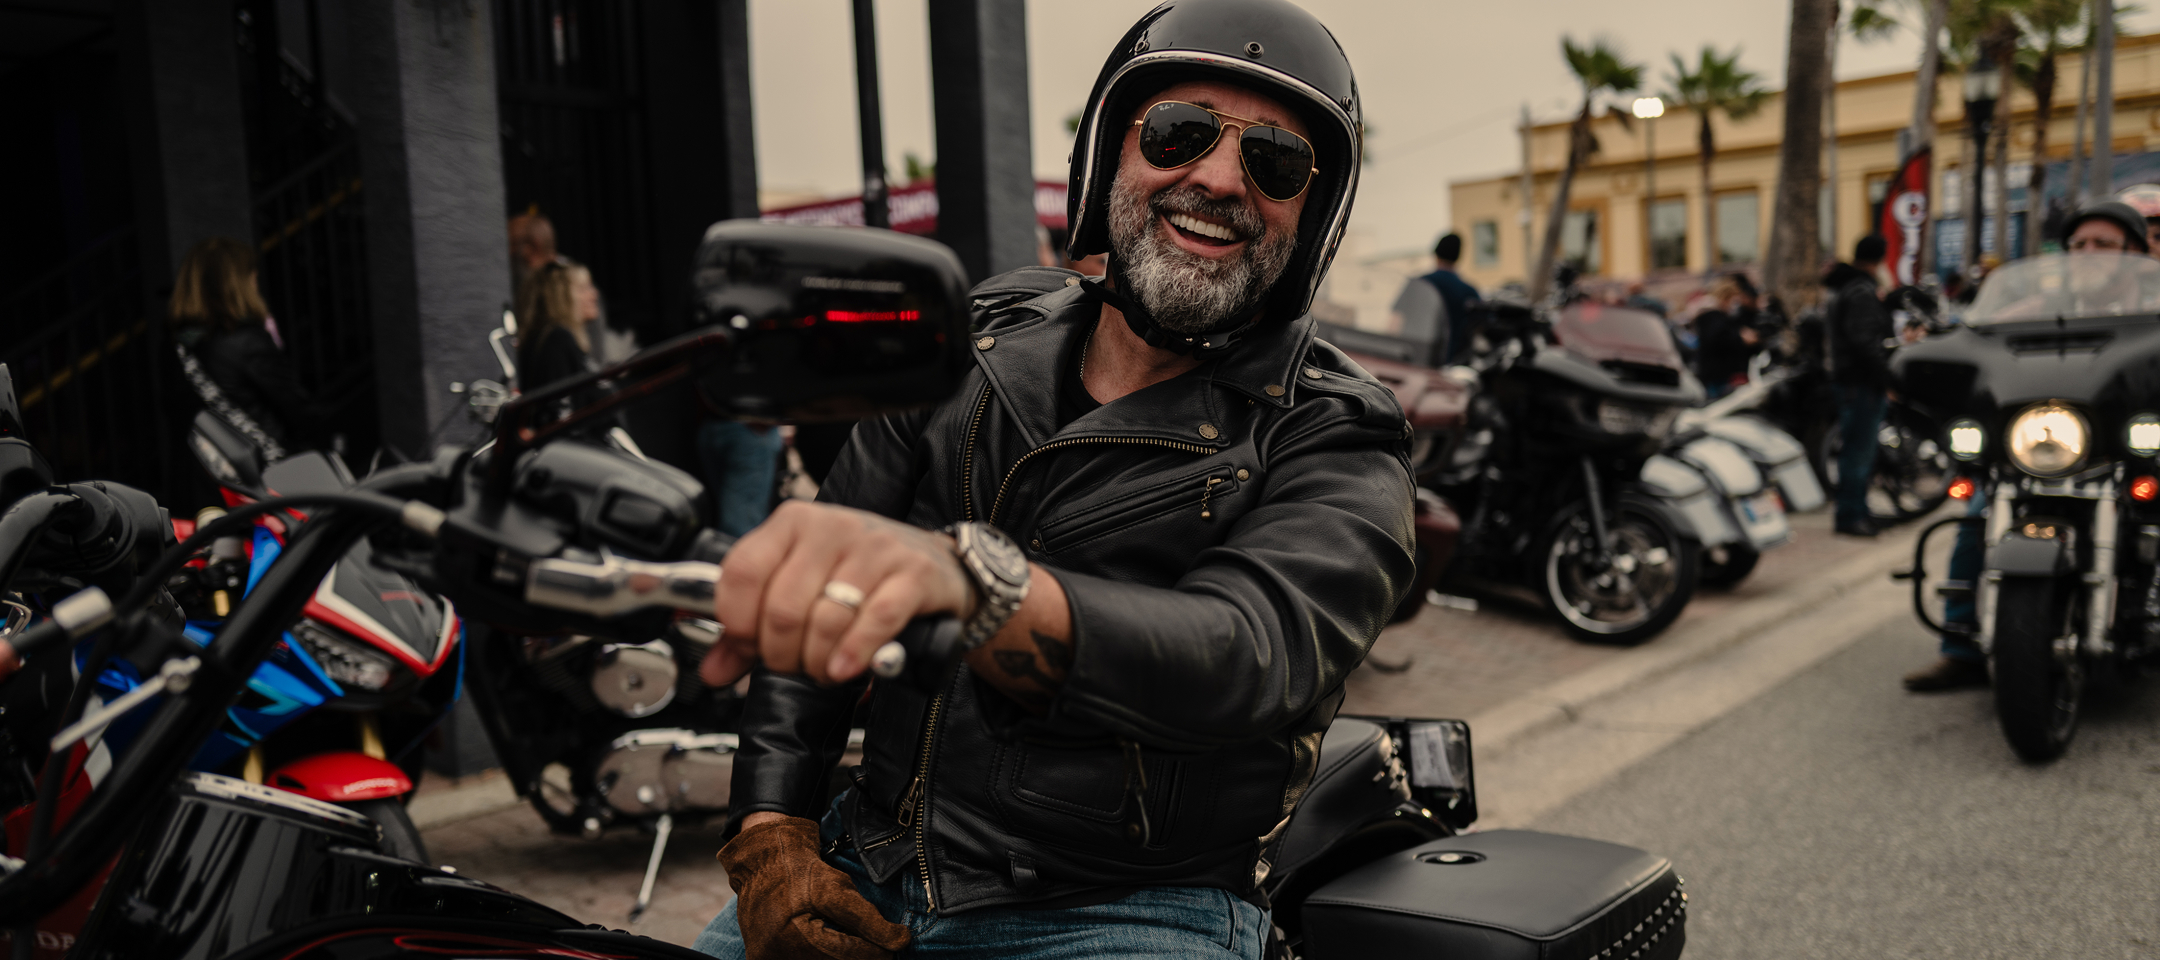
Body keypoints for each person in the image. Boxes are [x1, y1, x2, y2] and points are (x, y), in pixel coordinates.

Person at [691, 2, 1410, 957]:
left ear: (1311, 214)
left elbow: (1247, 652)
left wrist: (975, 585)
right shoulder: (978, 335)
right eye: (1179, 132)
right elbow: (821, 596)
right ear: (1113, 152)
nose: (1219, 178)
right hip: (868, 859)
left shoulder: (1335, 429)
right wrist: (770, 833)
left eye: (1276, 161)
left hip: (1132, 907)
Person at [1904, 201, 2150, 692]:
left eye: (2103, 244)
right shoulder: (2035, 310)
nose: (2087, 253)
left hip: (2124, 448)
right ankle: (1960, 648)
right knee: (1977, 510)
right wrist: (1933, 345)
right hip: (2042, 443)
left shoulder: (2153, 308)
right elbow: (1975, 337)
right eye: (2078, 244)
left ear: (2134, 254)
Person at [168, 237, 345, 460]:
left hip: (212, 471)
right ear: (239, 284)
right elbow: (295, 409)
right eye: (253, 277)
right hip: (263, 469)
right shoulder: (246, 342)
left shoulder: (178, 346)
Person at [1823, 235, 1894, 538]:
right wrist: (1886, 378)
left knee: (1858, 450)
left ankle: (1856, 511)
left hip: (1852, 381)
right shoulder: (1860, 291)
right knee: (1858, 452)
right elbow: (1865, 343)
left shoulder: (1847, 288)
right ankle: (1851, 515)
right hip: (1860, 384)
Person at [513, 260, 600, 392]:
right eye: (583, 289)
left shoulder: (561, 338)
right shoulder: (557, 340)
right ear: (560, 296)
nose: (594, 294)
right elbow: (561, 407)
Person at [1693, 273, 1766, 399]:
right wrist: (1740, 337)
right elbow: (1718, 339)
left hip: (1718, 374)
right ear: (1726, 298)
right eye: (1733, 300)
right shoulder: (1712, 317)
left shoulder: (1714, 317)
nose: (1735, 304)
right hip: (1717, 376)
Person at [1419, 232, 1482, 363]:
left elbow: (1395, 323)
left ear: (1436, 255)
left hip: (1420, 362)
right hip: (1456, 367)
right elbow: (1479, 332)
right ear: (1458, 257)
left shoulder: (1420, 284)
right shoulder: (1469, 292)